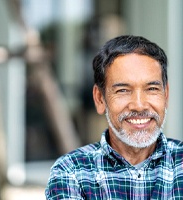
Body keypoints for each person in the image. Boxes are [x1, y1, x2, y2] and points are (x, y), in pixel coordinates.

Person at [45, 35, 183, 199]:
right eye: (123, 90)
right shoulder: (72, 172)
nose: (139, 105)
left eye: (152, 89)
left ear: (165, 95)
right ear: (99, 99)